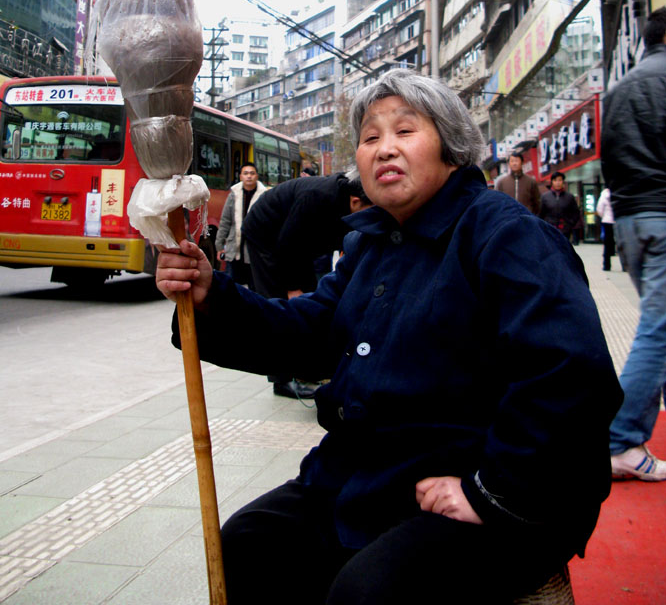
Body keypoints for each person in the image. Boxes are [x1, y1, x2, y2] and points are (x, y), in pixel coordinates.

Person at [156, 69, 621, 605]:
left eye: (404, 131)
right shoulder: (372, 244)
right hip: (369, 473)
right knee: (247, 543)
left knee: (367, 594)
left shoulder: (505, 234)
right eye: (370, 138)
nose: (383, 149)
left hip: (479, 479)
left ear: (450, 145)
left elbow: (570, 373)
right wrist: (213, 294)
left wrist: (490, 490)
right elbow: (311, 331)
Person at [601, 7, 666, 482]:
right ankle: (621, 440)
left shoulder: (620, 88)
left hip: (630, 221)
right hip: (663, 214)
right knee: (659, 331)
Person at [242, 171, 371, 399]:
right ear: (355, 201)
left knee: (312, 302)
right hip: (266, 237)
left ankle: (307, 371)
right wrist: (292, 287)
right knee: (278, 305)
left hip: (297, 249)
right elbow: (288, 243)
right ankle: (281, 380)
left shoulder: (345, 202)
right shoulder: (318, 197)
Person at [214, 162, 267, 287]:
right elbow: (225, 221)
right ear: (241, 176)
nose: (249, 176)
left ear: (257, 176)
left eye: (252, 173)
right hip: (234, 249)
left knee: (255, 288)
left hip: (254, 251)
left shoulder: (264, 195)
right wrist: (219, 245)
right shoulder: (234, 194)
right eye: (246, 173)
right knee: (232, 288)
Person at [538, 171, 580, 240]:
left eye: (559, 180)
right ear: (552, 182)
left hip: (565, 229)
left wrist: (570, 224)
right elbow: (540, 214)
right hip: (549, 229)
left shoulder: (569, 197)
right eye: (555, 180)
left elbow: (576, 213)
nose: (557, 183)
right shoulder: (545, 197)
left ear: (563, 182)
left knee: (564, 249)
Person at [595, 187, 615, 272]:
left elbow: (599, 209)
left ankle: (606, 265)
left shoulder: (604, 194)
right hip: (618, 220)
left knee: (607, 243)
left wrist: (604, 216)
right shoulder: (619, 191)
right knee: (622, 243)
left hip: (607, 221)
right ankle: (625, 265)